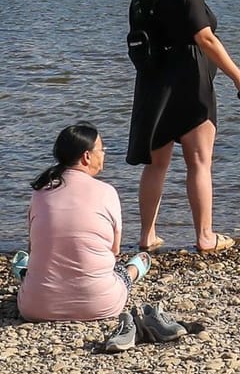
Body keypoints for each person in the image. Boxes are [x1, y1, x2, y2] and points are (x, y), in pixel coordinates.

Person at [127, 0, 240, 254]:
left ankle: (147, 236)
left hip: (153, 84)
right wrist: (238, 76)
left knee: (156, 165)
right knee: (199, 162)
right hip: (189, 83)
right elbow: (206, 38)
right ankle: (205, 236)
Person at [16, 123, 149, 324]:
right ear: (87, 156)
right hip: (99, 304)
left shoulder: (39, 192)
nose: (104, 154)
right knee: (121, 272)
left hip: (36, 306)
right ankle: (134, 270)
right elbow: (114, 251)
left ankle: (24, 271)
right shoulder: (107, 192)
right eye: (102, 150)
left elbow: (34, 246)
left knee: (32, 266)